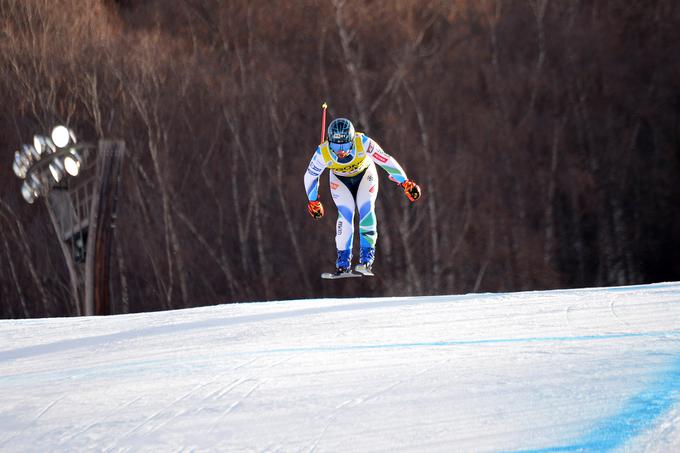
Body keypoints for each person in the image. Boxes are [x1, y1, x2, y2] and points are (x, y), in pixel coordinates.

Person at [304, 117, 421, 276]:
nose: (341, 151)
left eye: (345, 145)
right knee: (345, 214)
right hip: (340, 180)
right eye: (335, 146)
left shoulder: (362, 142)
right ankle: (343, 264)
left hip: (365, 176)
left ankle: (366, 259)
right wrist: (313, 201)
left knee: (366, 208)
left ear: (352, 140)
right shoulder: (323, 152)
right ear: (329, 142)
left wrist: (405, 182)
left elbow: (385, 160)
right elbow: (310, 176)